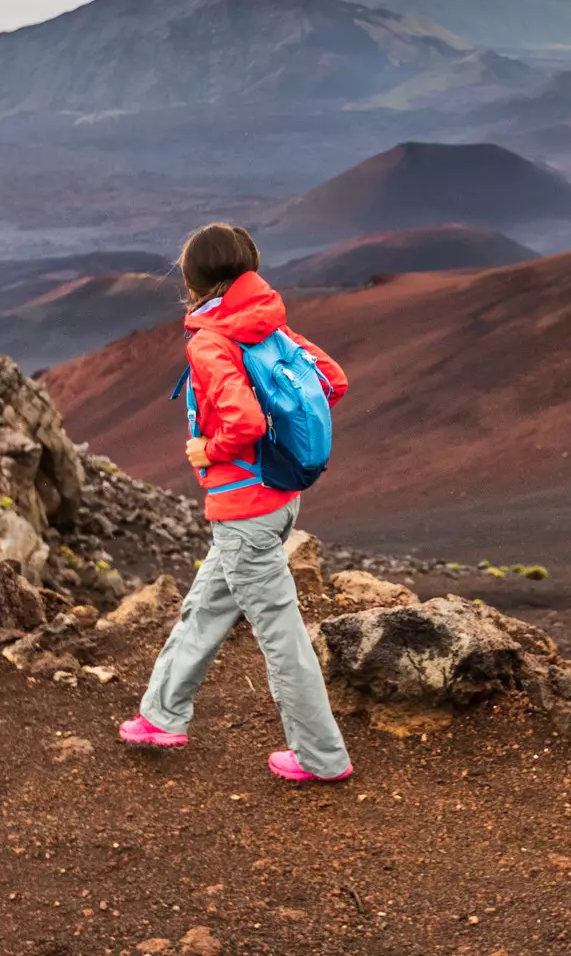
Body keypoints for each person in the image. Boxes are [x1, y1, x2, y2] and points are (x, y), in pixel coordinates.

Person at [118, 223, 354, 784]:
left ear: (193, 280)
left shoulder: (210, 339)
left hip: (245, 508)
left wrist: (209, 448)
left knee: (281, 636)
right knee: (205, 606)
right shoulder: (267, 323)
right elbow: (333, 381)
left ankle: (322, 758)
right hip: (279, 500)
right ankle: (161, 715)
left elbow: (244, 421)